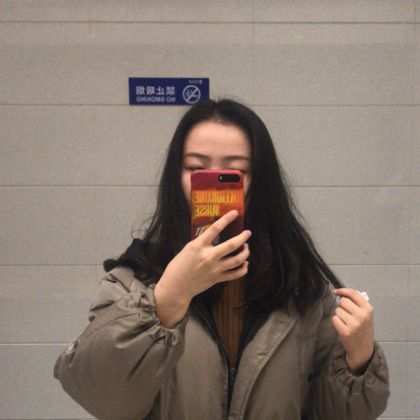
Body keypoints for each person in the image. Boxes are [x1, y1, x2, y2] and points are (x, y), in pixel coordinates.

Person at [54, 99, 389, 419]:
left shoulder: (300, 288)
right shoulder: (131, 282)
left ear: (261, 182)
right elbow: (105, 401)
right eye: (196, 169)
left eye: (235, 172)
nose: (214, 187)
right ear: (175, 177)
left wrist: (359, 362)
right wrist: (166, 300)